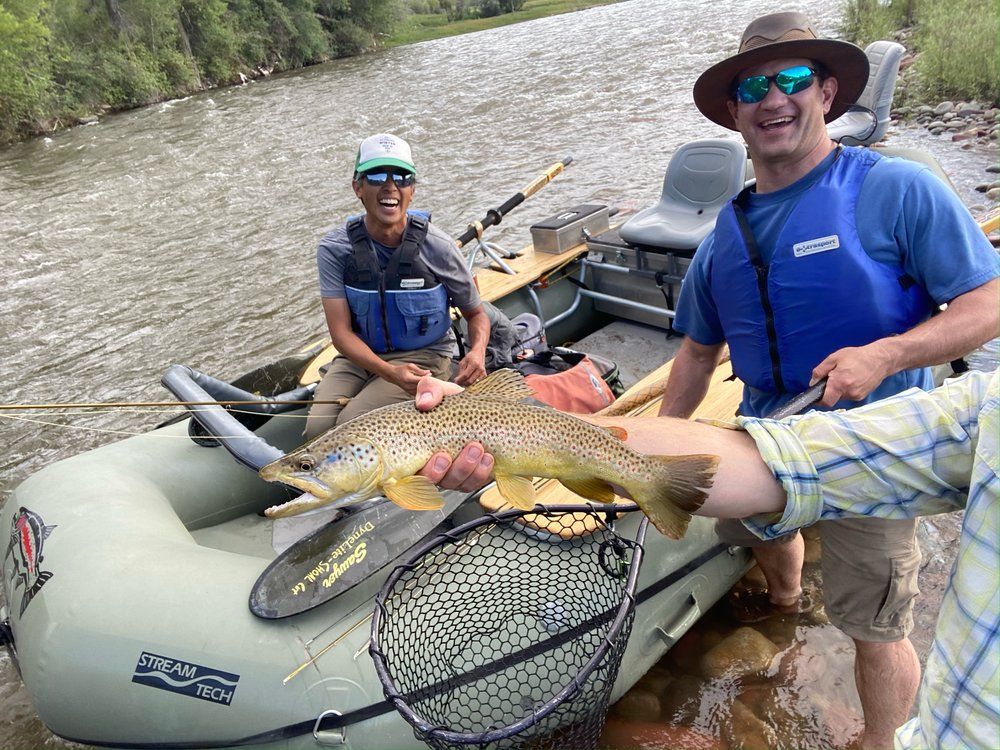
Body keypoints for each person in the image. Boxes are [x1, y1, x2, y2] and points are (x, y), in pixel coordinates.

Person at [652, 11, 1000, 747]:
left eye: (792, 79)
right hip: (770, 436)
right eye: (753, 86)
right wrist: (660, 449)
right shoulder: (724, 235)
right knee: (740, 525)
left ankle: (879, 740)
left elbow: (988, 303)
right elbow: (693, 355)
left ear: (828, 90)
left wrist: (889, 354)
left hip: (874, 443)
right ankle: (785, 594)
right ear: (734, 113)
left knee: (876, 622)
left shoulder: (896, 189)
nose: (773, 98)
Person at [412, 367, 1000, 750]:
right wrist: (494, 422)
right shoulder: (982, 412)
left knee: (878, 627)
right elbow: (786, 459)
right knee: (769, 537)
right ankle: (789, 606)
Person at [304, 133, 489, 439]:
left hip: (425, 357)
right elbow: (340, 334)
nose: (390, 186)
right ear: (358, 187)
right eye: (376, 176)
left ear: (411, 191)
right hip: (360, 357)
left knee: (351, 429)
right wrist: (388, 372)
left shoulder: (439, 247)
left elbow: (477, 314)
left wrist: (478, 352)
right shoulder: (334, 249)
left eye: (402, 177)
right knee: (317, 429)